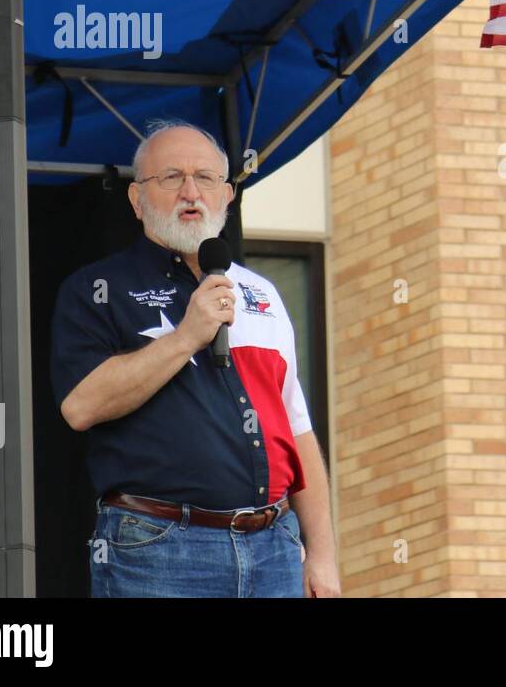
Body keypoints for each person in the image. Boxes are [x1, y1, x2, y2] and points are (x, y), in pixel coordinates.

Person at [50, 119, 340, 597]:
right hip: (161, 550)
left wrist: (324, 554)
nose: (191, 192)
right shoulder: (98, 289)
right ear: (137, 199)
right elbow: (81, 406)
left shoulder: (260, 292)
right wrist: (185, 338)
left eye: (205, 178)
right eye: (171, 177)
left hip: (275, 549)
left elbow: (297, 429)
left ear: (226, 196)